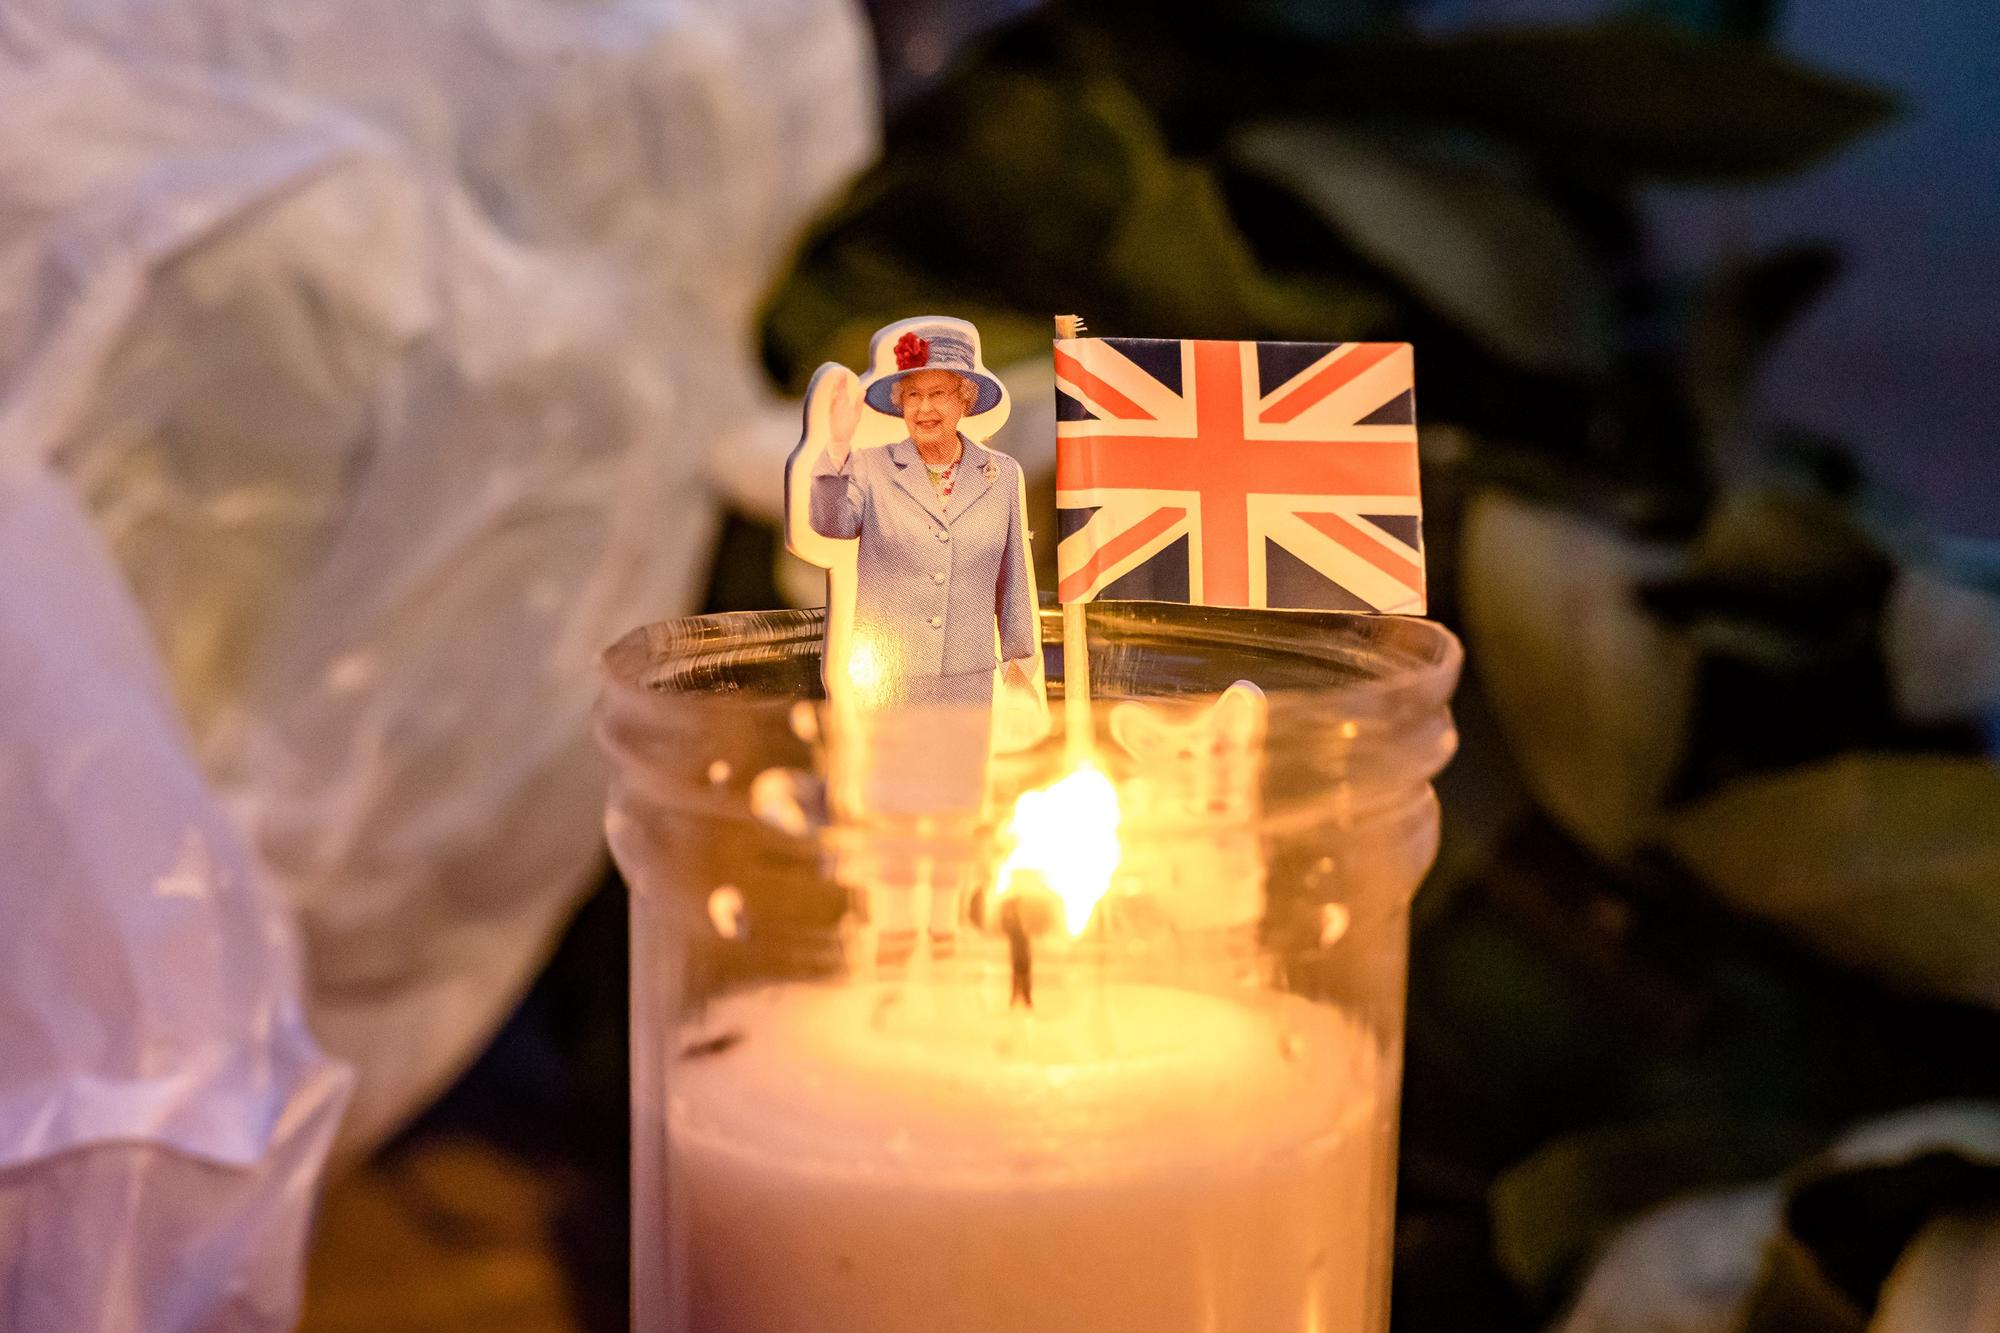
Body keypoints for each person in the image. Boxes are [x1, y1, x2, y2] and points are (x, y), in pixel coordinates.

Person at [808, 318, 1037, 709]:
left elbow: (1012, 579)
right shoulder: (869, 467)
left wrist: (1019, 670)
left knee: (962, 771)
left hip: (970, 679)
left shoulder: (1001, 475)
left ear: (964, 400)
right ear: (900, 404)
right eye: (913, 395)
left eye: (938, 394)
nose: (924, 408)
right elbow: (832, 524)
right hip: (889, 681)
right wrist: (838, 443)